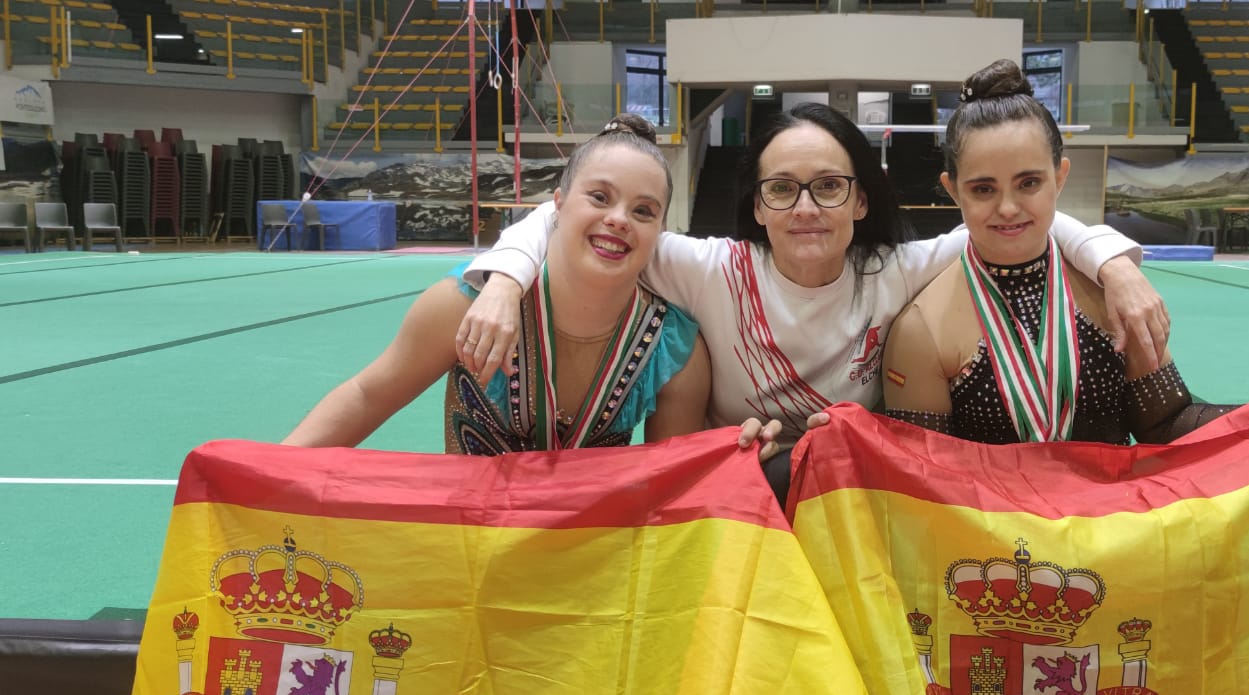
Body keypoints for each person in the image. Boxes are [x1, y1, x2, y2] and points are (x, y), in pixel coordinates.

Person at [453, 103, 1169, 459]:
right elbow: (580, 219)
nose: (805, 209)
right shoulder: (705, 268)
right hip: (743, 492)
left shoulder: (896, 271)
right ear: (756, 207)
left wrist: (1113, 264)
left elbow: (1011, 221)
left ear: (861, 200)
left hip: (845, 500)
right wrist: (505, 281)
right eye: (782, 190)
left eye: (828, 187)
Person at [283, 115, 712, 452]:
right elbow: (366, 396)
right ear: (557, 206)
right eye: (599, 197)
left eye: (643, 211)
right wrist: (262, 472)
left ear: (660, 230)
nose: (618, 219)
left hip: (594, 557)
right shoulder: (460, 306)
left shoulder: (675, 348)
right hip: (468, 552)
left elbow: (672, 484)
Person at [882, 60, 1236, 445]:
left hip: (1110, 506)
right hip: (986, 507)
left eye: (1028, 183)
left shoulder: (1116, 295)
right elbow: (920, 475)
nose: (1007, 208)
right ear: (953, 191)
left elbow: (1167, 423)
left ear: (1060, 177)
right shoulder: (920, 329)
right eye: (984, 189)